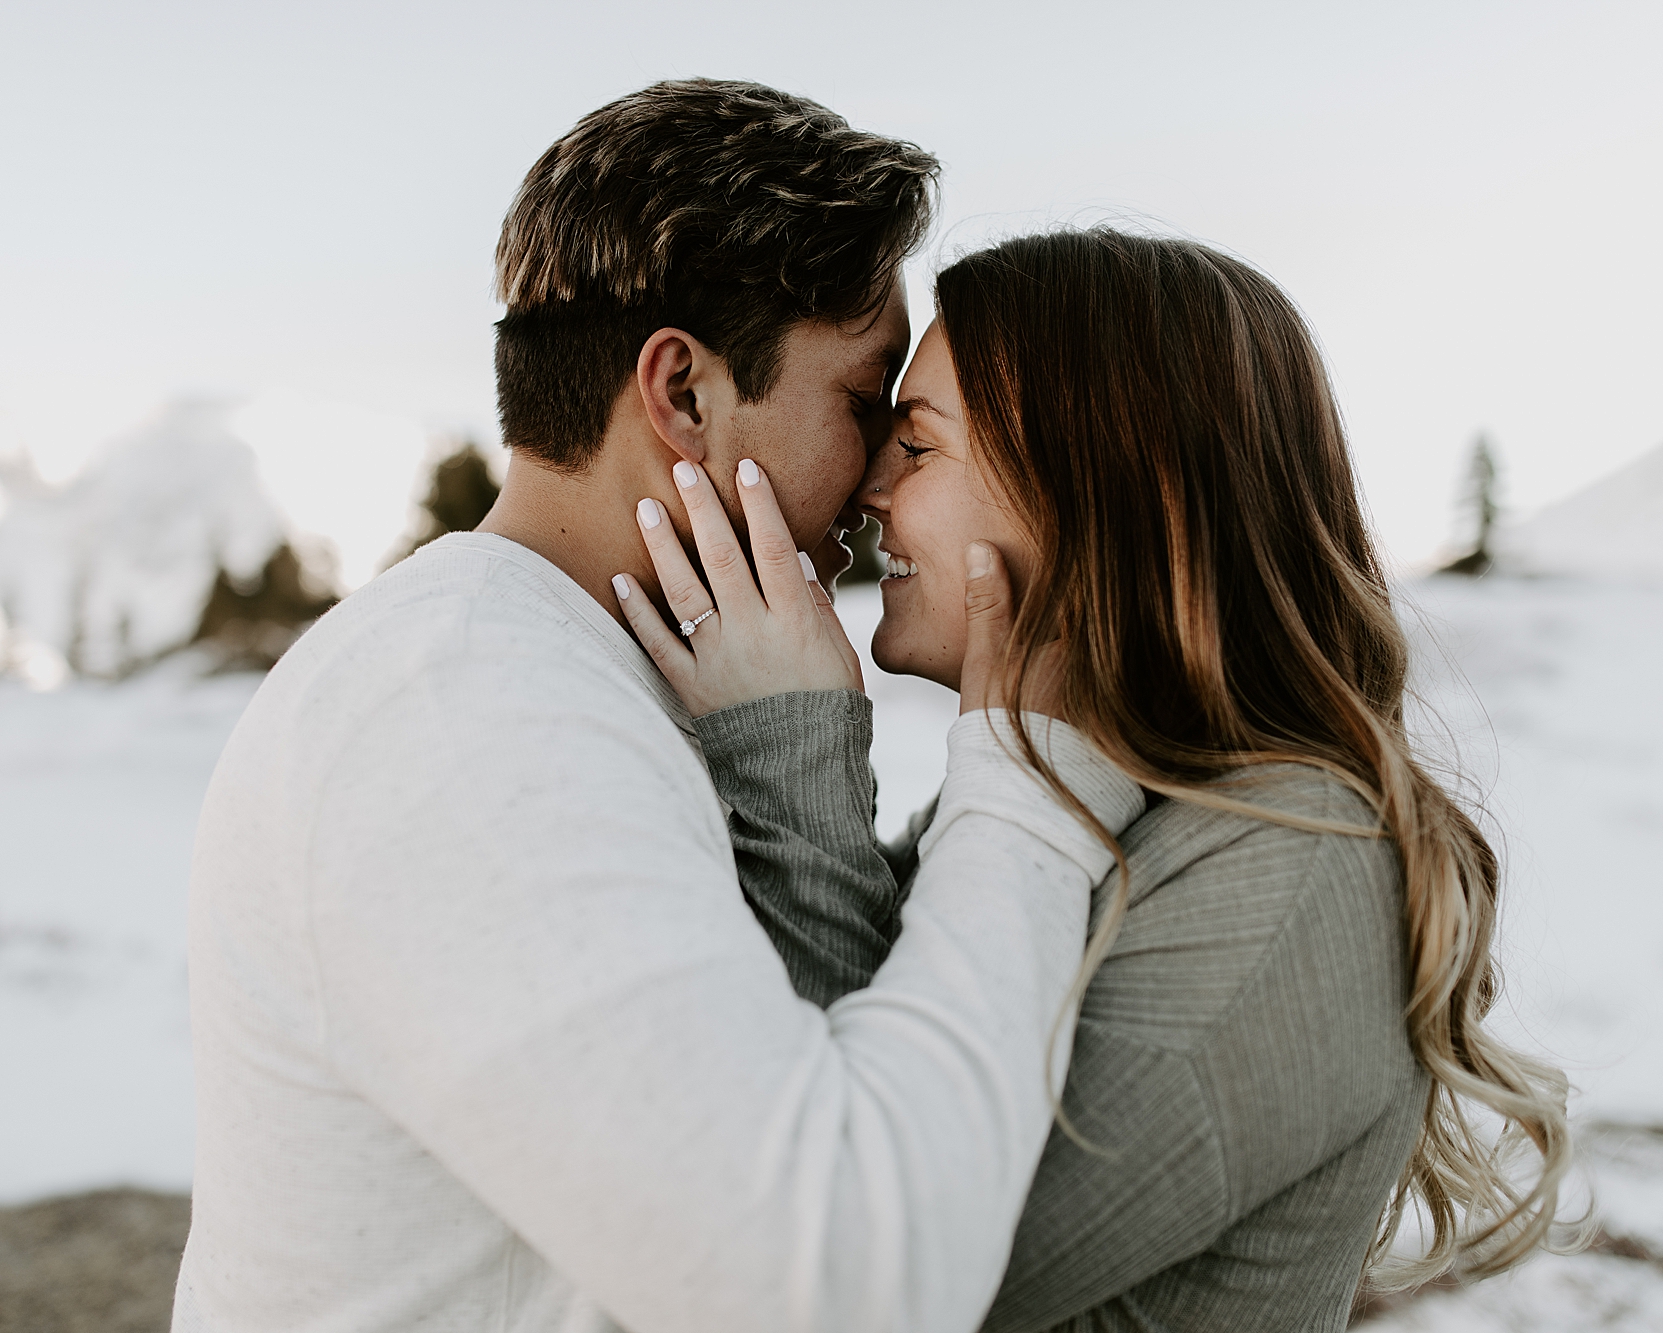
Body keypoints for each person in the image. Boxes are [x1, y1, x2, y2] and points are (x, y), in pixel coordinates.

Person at [174, 82, 1150, 1333]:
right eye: (862, 410)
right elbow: (838, 1290)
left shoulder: (582, 679)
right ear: (682, 394)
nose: (870, 493)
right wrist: (1026, 769)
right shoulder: (465, 716)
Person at [622, 228, 1576, 1332]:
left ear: (1098, 491)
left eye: (918, 446)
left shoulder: (1297, 864)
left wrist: (788, 750)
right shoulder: (1088, 798)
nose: (867, 488)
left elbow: (850, 1272)